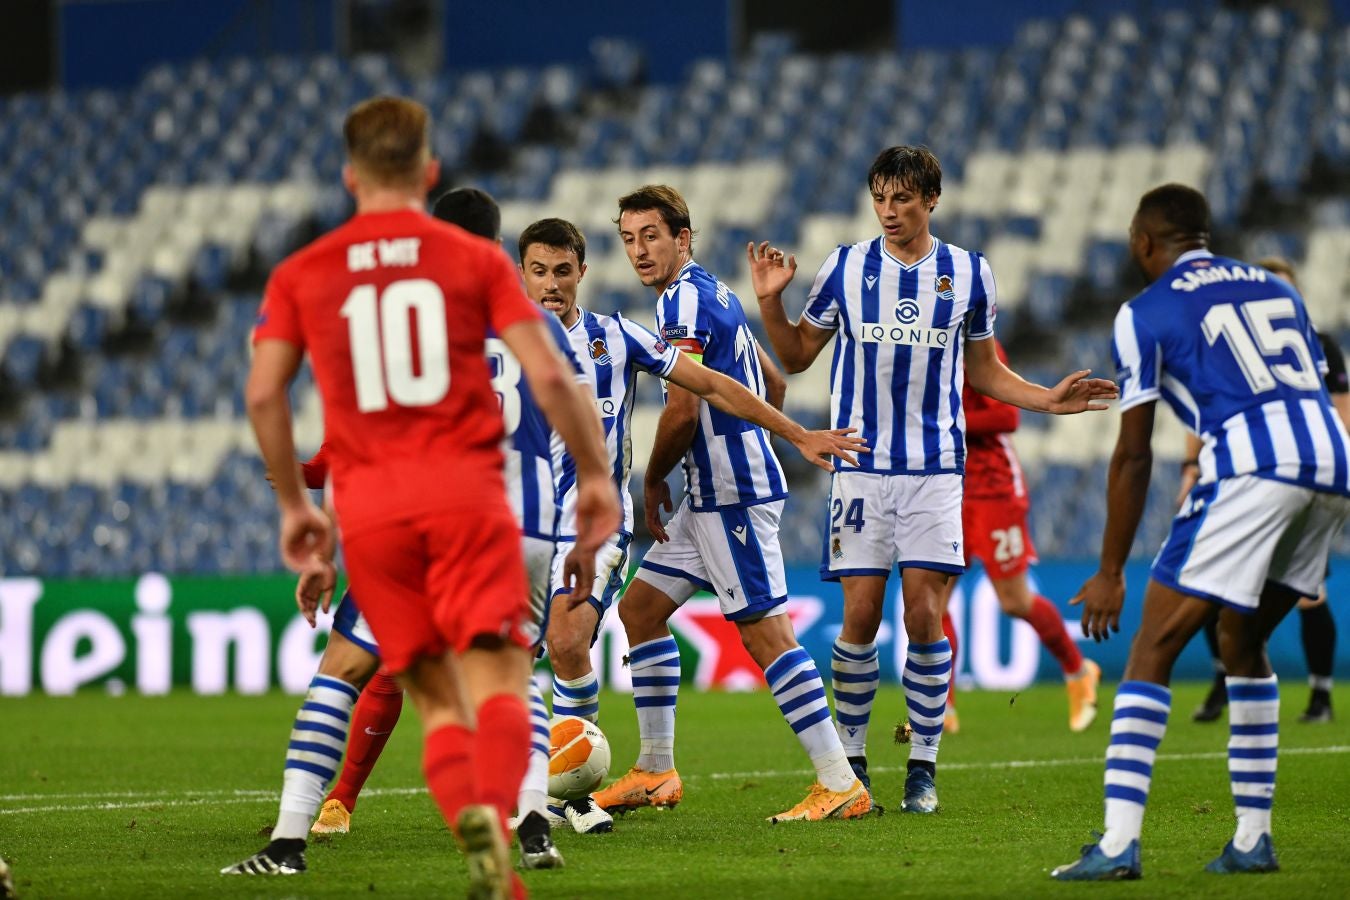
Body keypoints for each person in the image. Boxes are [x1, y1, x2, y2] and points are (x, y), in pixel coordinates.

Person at [238, 97, 619, 899]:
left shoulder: (315, 274)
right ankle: (530, 821)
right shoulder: (490, 282)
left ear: (349, 177)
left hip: (397, 518)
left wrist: (309, 521)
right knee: (504, 680)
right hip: (503, 521)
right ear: (427, 171)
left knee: (351, 671)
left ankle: (289, 840)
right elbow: (557, 384)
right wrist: (593, 481)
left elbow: (278, 399)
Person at [748, 145, 1117, 813]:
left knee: (923, 616)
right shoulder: (846, 267)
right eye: (880, 198)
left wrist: (1046, 398)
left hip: (935, 473)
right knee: (859, 617)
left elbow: (985, 372)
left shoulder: (970, 274)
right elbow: (798, 356)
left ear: (931, 200)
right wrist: (773, 306)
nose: (889, 211)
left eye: (903, 199)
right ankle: (852, 766)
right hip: (861, 467)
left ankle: (922, 765)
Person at [516, 217, 871, 831]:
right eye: (630, 238)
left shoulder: (650, 316)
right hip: (703, 496)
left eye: (650, 236)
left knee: (766, 636)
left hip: (728, 495)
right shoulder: (710, 292)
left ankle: (841, 781)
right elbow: (773, 380)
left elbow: (699, 393)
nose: (639, 249)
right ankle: (655, 769)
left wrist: (781, 440)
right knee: (641, 614)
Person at [1051, 185, 1350, 880]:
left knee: (1152, 645)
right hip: (1334, 463)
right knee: (1240, 638)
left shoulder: (1143, 312)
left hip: (1253, 465)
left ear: (1144, 243)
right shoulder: (1276, 290)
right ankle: (1252, 841)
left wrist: (1111, 570)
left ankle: (1119, 845)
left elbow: (1132, 453)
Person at [1183, 256, 1348, 725]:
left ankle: (1320, 695)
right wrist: (1189, 469)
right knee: (1216, 585)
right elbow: (1203, 410)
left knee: (1307, 591)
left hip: (1301, 473)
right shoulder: (1230, 345)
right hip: (1243, 474)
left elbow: (1343, 410)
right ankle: (1223, 681)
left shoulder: (1320, 346)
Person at [936, 338, 1102, 735]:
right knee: (933, 599)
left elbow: (1007, 418)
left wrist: (940, 421)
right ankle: (943, 705)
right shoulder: (922, 345)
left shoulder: (977, 345)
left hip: (993, 488)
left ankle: (1079, 670)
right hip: (944, 487)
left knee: (1014, 601)